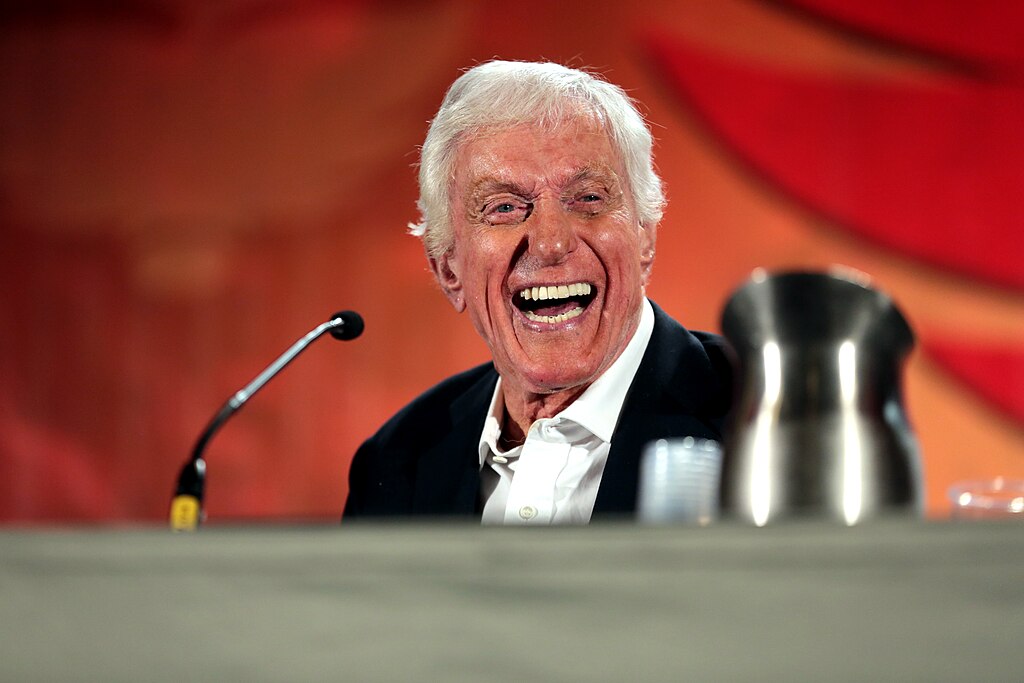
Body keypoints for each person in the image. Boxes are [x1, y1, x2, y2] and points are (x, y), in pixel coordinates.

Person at [344, 60, 732, 524]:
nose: (551, 243)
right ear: (448, 268)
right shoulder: (396, 463)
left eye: (588, 199)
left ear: (645, 236)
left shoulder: (768, 422)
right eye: (504, 207)